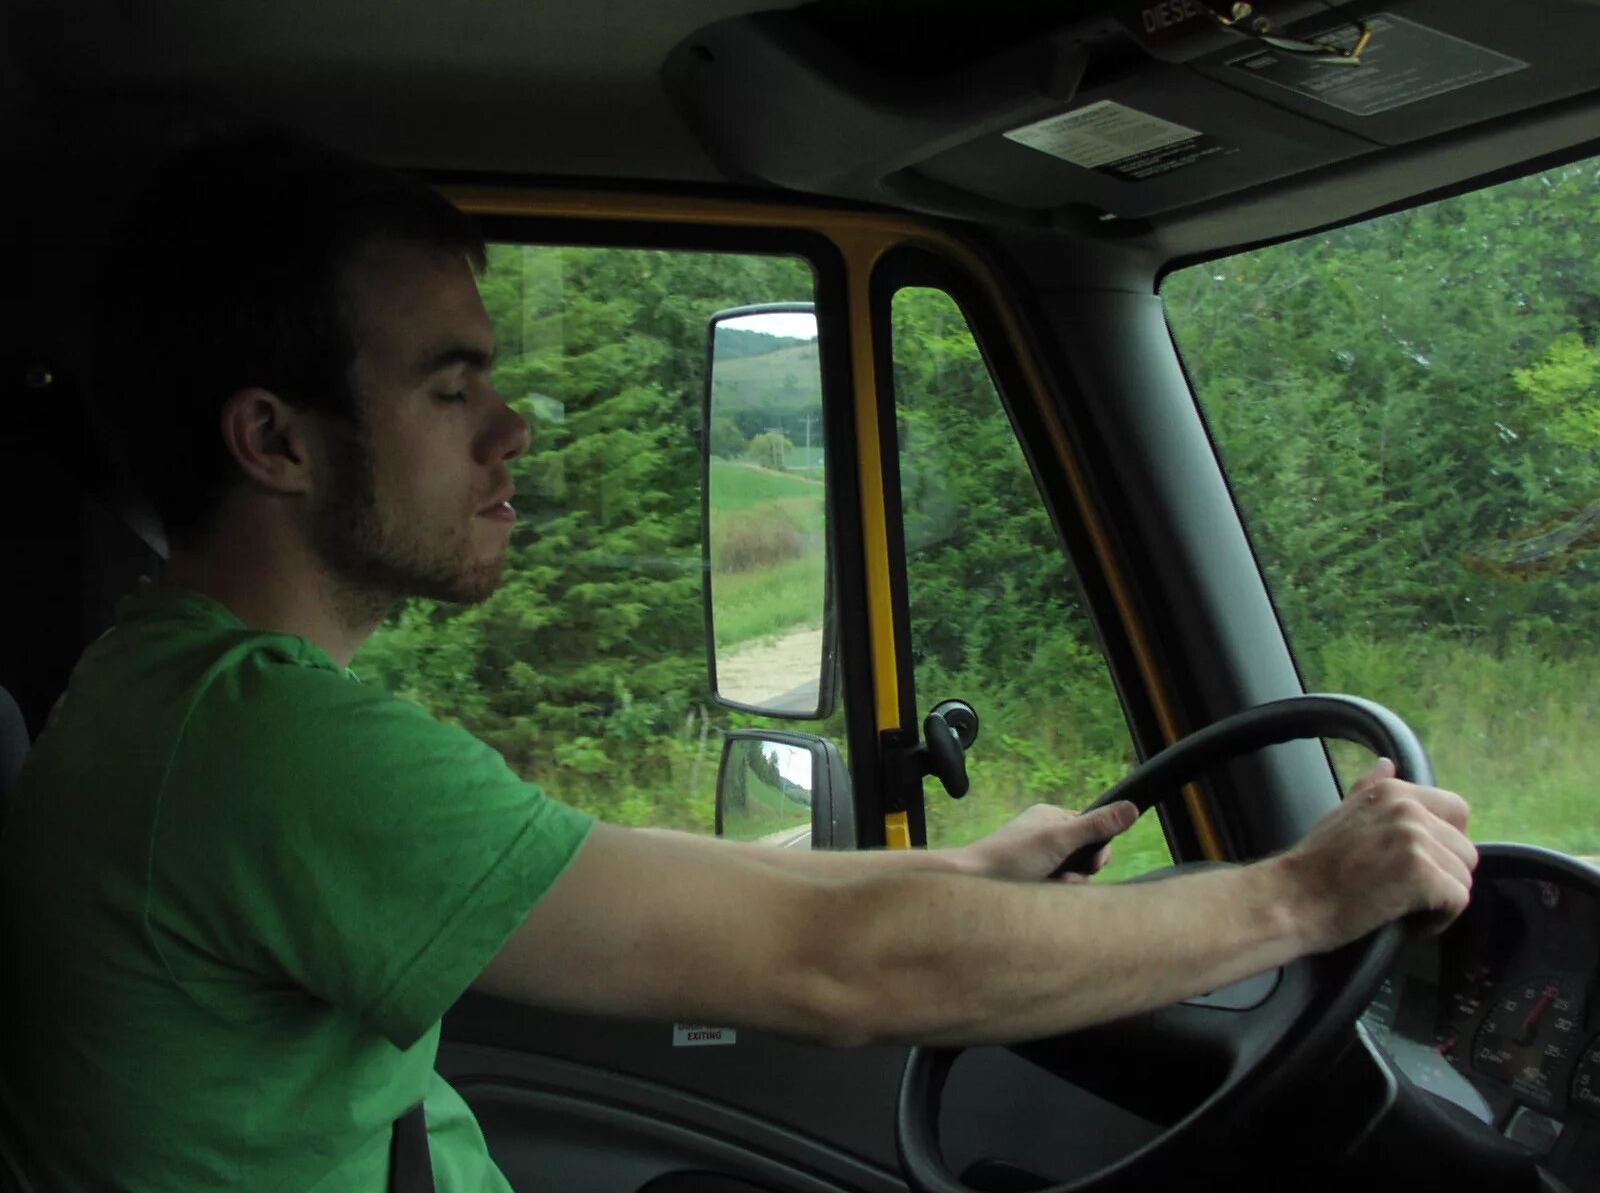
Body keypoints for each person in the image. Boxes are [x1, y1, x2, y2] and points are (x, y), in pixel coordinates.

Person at [0, 131, 1477, 1192]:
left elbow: (608, 874)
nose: (512, 428)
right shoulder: (263, 747)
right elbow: (826, 972)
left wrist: (962, 878)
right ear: (274, 440)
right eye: (452, 386)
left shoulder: (180, 702)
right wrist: (1299, 895)